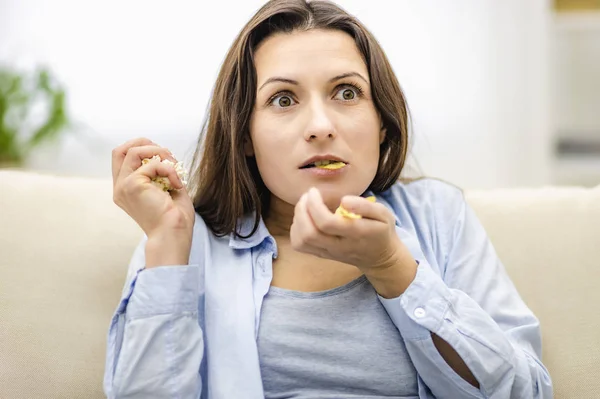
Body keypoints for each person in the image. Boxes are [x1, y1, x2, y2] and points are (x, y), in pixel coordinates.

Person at [104, 0, 553, 398]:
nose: (320, 125)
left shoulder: (440, 214)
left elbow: (524, 391)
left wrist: (392, 267)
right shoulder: (185, 242)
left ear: (382, 123)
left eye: (347, 92)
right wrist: (169, 240)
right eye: (283, 99)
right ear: (244, 135)